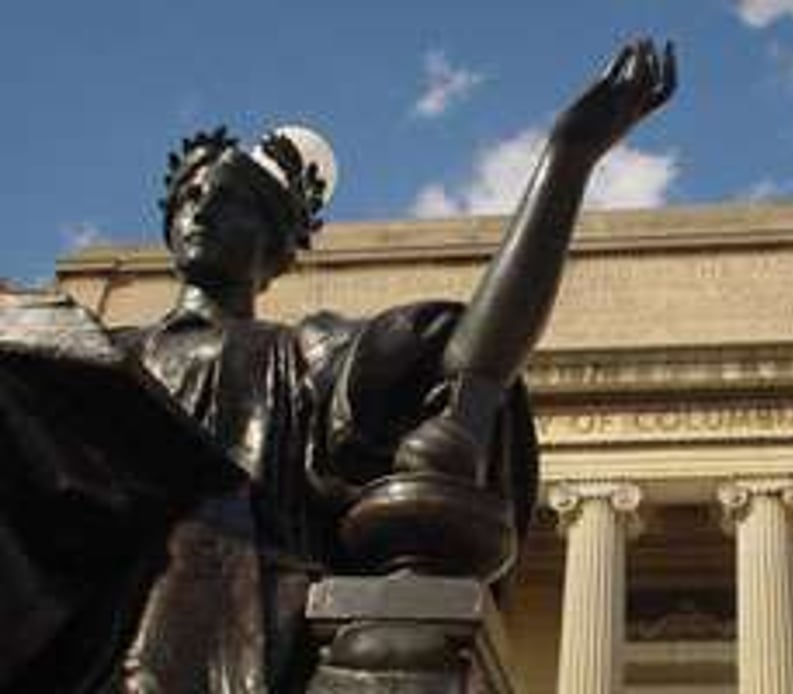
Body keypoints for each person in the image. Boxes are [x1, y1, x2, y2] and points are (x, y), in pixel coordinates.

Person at [0, 39, 675, 692]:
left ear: (280, 245)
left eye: (231, 198)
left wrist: (566, 160)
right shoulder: (85, 356)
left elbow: (462, 355)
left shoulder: (296, 357)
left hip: (220, 620)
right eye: (190, 194)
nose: (201, 207)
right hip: (71, 616)